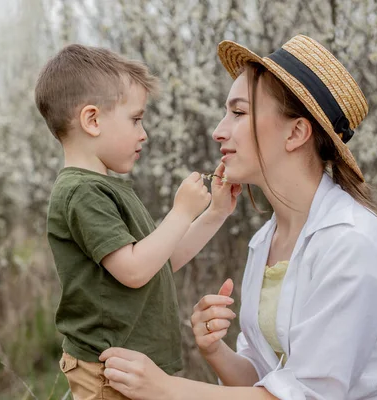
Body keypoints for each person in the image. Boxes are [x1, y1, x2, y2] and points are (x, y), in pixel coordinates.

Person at [99, 34, 377, 400]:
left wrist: (165, 388)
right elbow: (265, 381)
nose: (219, 130)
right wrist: (216, 352)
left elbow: (310, 396)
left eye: (238, 113)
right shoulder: (267, 239)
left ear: (296, 132)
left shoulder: (351, 243)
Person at [34, 44, 242, 399]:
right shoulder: (81, 192)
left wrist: (214, 213)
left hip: (127, 368)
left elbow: (159, 261)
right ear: (92, 120)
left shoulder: (103, 188)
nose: (143, 132)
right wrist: (180, 212)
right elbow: (134, 270)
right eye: (135, 119)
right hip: (106, 372)